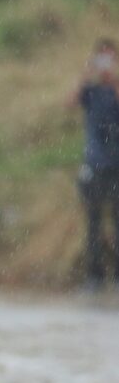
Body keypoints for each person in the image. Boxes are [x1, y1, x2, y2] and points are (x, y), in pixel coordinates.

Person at [76, 39, 119, 291]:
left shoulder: (114, 88)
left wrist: (113, 81)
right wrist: (86, 74)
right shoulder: (90, 90)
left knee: (117, 221)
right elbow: (70, 102)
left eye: (110, 59)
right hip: (94, 163)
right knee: (92, 223)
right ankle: (94, 276)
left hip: (116, 165)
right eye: (101, 58)